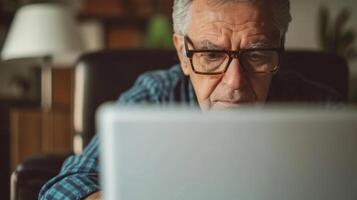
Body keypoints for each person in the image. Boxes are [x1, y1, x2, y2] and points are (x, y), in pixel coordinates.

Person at [39, 0, 341, 199]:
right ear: (183, 53)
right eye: (211, 55)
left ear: (279, 46)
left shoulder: (322, 109)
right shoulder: (155, 97)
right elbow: (62, 190)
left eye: (257, 54)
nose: (234, 81)